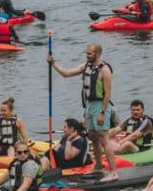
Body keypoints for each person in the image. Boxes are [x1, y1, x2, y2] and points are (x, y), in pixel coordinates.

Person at [47, 43, 119, 182]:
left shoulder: (105, 70)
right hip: (89, 106)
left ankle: (113, 172)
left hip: (100, 106)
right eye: (86, 53)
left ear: (97, 54)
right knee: (93, 137)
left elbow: (108, 94)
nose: (87, 56)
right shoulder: (86, 66)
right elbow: (66, 73)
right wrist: (53, 63)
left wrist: (102, 113)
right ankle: (98, 166)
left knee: (104, 138)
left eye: (89, 54)